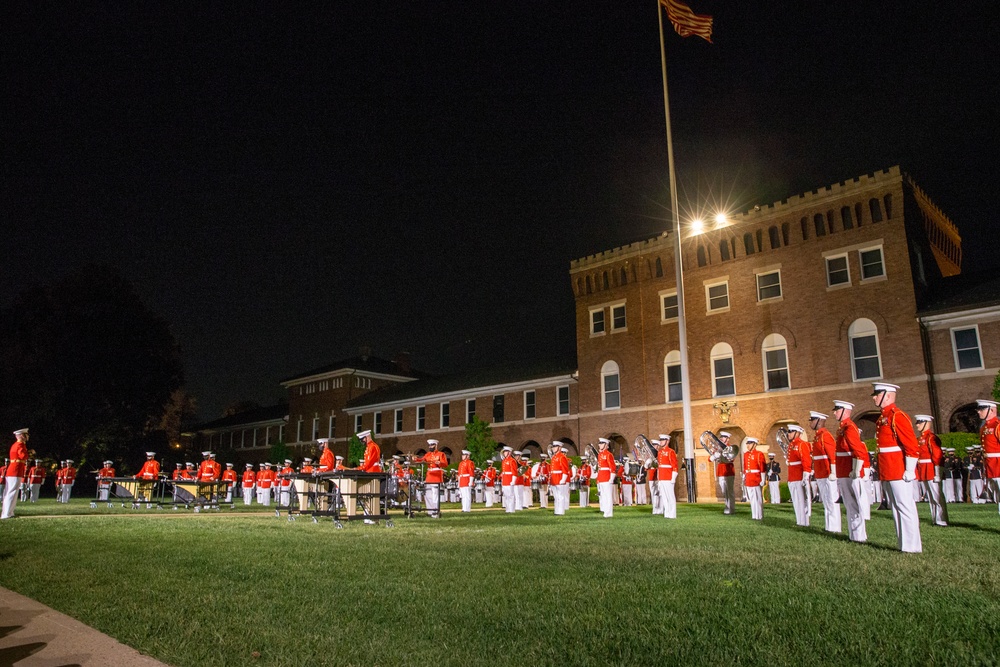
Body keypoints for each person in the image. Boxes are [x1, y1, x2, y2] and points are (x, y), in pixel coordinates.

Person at [872, 382, 922, 553]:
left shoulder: (897, 416)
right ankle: (904, 544)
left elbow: (911, 445)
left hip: (899, 469)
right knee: (896, 508)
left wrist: (909, 469)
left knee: (905, 507)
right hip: (888, 469)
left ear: (887, 395)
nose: (874, 397)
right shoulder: (883, 417)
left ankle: (912, 546)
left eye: (877, 394)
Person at [832, 400, 869, 543]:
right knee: (849, 503)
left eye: (837, 410)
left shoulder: (849, 428)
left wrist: (856, 470)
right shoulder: (843, 427)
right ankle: (854, 535)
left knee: (854, 503)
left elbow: (858, 451)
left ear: (845, 411)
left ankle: (859, 536)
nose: (835, 412)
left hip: (849, 471)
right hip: (844, 470)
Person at [809, 411, 841, 533]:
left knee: (831, 500)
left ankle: (835, 527)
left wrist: (833, 471)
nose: (811, 423)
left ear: (820, 421)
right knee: (827, 501)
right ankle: (829, 526)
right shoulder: (818, 436)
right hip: (821, 472)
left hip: (827, 473)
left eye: (813, 420)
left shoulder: (825, 436)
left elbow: (832, 455)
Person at [914, 414, 948, 527]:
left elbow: (937, 455)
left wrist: (937, 472)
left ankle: (942, 519)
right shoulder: (920, 438)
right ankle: (936, 518)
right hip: (924, 469)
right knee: (931, 496)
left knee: (937, 496)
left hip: (931, 469)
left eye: (919, 422)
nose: (917, 425)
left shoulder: (931, 437)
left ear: (926, 423)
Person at [784, 425, 811, 526]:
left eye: (791, 431)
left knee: (801, 500)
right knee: (796, 500)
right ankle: (799, 521)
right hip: (792, 476)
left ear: (797, 433)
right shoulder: (791, 445)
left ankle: (804, 522)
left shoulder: (802, 444)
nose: (789, 433)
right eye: (789, 431)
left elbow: (806, 460)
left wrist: (806, 474)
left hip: (799, 475)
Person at [977, 399, 1000, 514]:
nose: (978, 412)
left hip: (998, 463)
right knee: (997, 495)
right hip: (990, 463)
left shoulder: (997, 425)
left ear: (991, 410)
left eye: (982, 409)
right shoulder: (984, 427)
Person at [414, 439, 447, 518]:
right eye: (429, 445)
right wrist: (415, 459)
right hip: (429, 476)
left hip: (436, 475)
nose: (430, 447)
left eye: (432, 445)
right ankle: (430, 511)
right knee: (428, 494)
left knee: (435, 494)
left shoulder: (440, 454)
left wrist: (440, 463)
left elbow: (445, 464)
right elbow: (422, 460)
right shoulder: (427, 454)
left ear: (436, 445)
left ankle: (436, 511)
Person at [2, 428, 30, 519]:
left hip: (14, 469)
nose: (27, 436)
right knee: (12, 491)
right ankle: (7, 514)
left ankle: (9, 512)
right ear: (22, 436)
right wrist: (29, 452)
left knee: (11, 491)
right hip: (15, 470)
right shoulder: (20, 444)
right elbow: (23, 456)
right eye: (25, 435)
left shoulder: (15, 444)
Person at [742, 438, 766, 521]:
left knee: (757, 498)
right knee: (752, 498)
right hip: (749, 477)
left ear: (754, 444)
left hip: (756, 477)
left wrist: (763, 479)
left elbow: (762, 467)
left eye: (750, 443)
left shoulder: (759, 454)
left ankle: (759, 515)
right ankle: (754, 515)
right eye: (747, 443)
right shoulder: (745, 454)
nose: (747, 445)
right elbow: (745, 466)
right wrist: (744, 475)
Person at [656, 434, 679, 519]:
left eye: (663, 440)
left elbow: (674, 465)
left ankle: (672, 514)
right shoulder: (660, 452)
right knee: (664, 497)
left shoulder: (670, 451)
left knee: (670, 496)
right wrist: (659, 478)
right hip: (662, 477)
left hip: (668, 476)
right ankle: (667, 513)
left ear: (667, 441)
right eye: (660, 440)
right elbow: (659, 466)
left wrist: (673, 477)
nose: (661, 441)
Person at [714, 431, 736, 515]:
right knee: (724, 491)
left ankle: (731, 508)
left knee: (729, 491)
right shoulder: (718, 448)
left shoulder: (730, 448)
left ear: (728, 439)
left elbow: (732, 459)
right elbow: (710, 459)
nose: (721, 438)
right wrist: (713, 456)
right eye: (721, 437)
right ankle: (727, 507)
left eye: (723, 437)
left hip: (729, 471)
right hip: (720, 471)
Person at [596, 438, 616, 518]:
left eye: (601, 443)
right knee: (603, 495)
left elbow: (612, 467)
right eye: (599, 443)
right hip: (601, 476)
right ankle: (605, 510)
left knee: (608, 495)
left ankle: (609, 512)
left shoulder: (609, 454)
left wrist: (611, 478)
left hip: (607, 476)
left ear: (606, 445)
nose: (599, 445)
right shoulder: (600, 454)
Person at [549, 443, 571, 516]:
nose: (553, 448)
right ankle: (557, 510)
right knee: (556, 496)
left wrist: (563, 479)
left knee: (560, 496)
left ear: (559, 447)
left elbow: (565, 469)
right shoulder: (554, 457)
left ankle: (561, 511)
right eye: (553, 447)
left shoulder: (562, 457)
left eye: (555, 446)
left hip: (559, 477)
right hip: (554, 478)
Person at [499, 446, 518, 514]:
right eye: (504, 451)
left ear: (509, 452)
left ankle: (511, 509)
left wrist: (513, 480)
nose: (504, 453)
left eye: (506, 451)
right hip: (505, 480)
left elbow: (514, 471)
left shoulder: (512, 460)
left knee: (511, 495)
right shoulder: (504, 460)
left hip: (509, 479)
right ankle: (507, 509)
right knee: (506, 495)